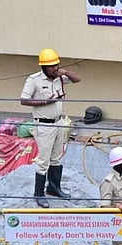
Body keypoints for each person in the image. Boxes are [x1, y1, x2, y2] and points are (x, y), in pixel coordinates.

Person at [21, 48, 81, 208]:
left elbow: (77, 79)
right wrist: (46, 102)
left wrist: (65, 72)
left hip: (59, 122)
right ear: (43, 67)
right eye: (51, 66)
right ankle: (39, 193)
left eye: (57, 65)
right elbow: (24, 100)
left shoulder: (59, 78)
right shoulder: (34, 80)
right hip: (43, 124)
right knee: (44, 160)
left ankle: (54, 188)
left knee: (56, 157)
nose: (55, 68)